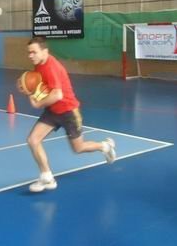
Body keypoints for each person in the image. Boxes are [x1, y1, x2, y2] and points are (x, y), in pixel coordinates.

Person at [19, 36, 116, 193]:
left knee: (78, 148)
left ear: (45, 51)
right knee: (33, 140)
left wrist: (37, 104)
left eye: (34, 52)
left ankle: (105, 146)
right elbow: (42, 89)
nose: (30, 55)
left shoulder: (51, 67)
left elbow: (57, 95)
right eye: (29, 52)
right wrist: (29, 92)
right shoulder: (38, 65)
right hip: (52, 111)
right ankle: (47, 177)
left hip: (68, 112)